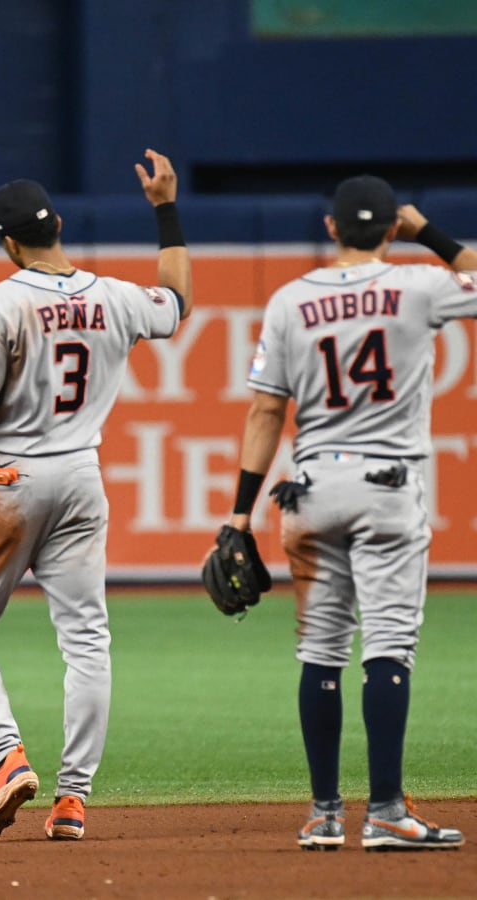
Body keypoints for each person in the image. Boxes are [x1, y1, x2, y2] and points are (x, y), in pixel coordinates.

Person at [0, 150, 193, 839]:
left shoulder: (2, 300)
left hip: (12, 478)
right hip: (82, 477)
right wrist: (164, 206)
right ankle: (73, 800)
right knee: (87, 639)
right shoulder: (117, 296)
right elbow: (179, 301)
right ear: (58, 224)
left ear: (7, 242)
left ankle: (7, 758)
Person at [220, 175, 469, 851]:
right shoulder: (420, 285)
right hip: (389, 488)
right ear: (391, 228)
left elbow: (267, 408)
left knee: (321, 651)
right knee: (388, 646)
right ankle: (386, 810)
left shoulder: (289, 301)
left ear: (331, 229)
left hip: (309, 490)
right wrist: (430, 236)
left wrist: (240, 515)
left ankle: (324, 815)